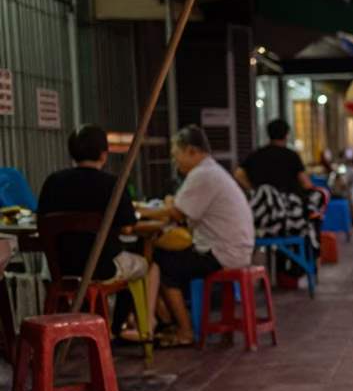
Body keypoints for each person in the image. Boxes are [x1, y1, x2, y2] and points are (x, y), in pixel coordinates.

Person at [37, 125, 160, 335]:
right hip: (102, 269)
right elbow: (128, 228)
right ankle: (143, 328)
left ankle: (90, 329)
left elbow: (41, 222)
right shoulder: (113, 184)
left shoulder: (53, 182)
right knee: (146, 265)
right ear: (103, 154)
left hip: (60, 269)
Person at [139, 125, 255, 347]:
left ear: (191, 151)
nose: (176, 162)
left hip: (222, 253)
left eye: (177, 156)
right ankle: (167, 323)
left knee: (164, 265)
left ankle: (183, 331)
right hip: (235, 249)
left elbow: (178, 212)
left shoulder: (202, 174)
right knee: (166, 258)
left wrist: (141, 211)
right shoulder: (211, 171)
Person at [234, 119, 311, 194]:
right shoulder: (292, 156)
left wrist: (252, 190)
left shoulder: (256, 155)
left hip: (262, 203)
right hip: (287, 203)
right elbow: (305, 183)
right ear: (286, 136)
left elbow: (238, 174)